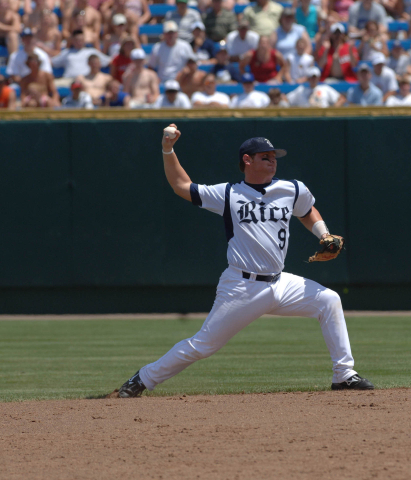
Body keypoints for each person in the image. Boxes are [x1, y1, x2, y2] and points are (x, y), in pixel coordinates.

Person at [115, 129, 374, 398]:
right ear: (247, 160)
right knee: (203, 345)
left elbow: (307, 211)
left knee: (329, 300)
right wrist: (168, 149)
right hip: (242, 286)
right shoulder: (229, 193)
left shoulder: (292, 189)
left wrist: (323, 234)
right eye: (265, 156)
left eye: (274, 157)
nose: (272, 161)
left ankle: (344, 375)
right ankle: (143, 378)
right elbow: (181, 185)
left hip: (280, 282)